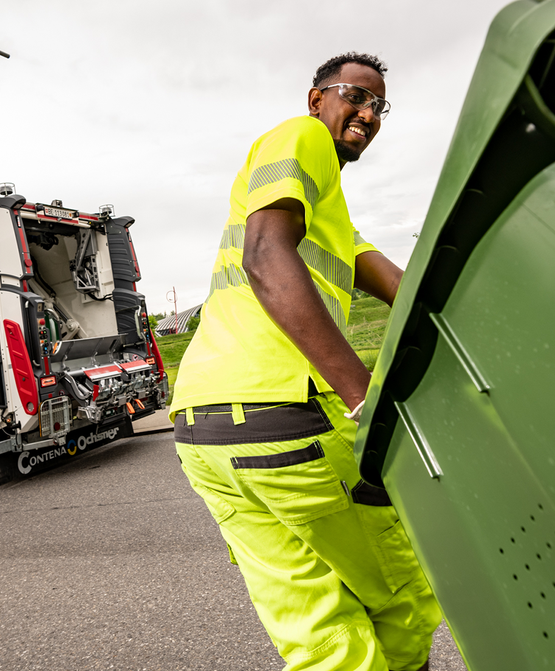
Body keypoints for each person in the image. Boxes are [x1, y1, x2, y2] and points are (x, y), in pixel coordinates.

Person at [169, 52, 441, 671]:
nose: (368, 113)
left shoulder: (330, 212)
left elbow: (412, 292)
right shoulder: (300, 137)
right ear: (316, 98)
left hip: (203, 431)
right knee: (402, 602)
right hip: (284, 416)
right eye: (355, 95)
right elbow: (265, 256)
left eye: (379, 106)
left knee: (319, 636)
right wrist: (361, 395)